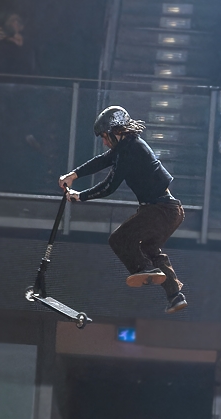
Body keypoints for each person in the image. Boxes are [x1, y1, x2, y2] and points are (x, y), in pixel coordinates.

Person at [59, 106, 189, 312]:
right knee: (149, 249)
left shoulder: (130, 151)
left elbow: (109, 186)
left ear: (116, 131)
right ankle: (175, 295)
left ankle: (143, 269)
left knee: (118, 239)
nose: (104, 142)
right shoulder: (129, 146)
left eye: (105, 136)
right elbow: (102, 160)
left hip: (160, 210)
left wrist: (80, 196)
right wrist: (73, 175)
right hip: (171, 211)